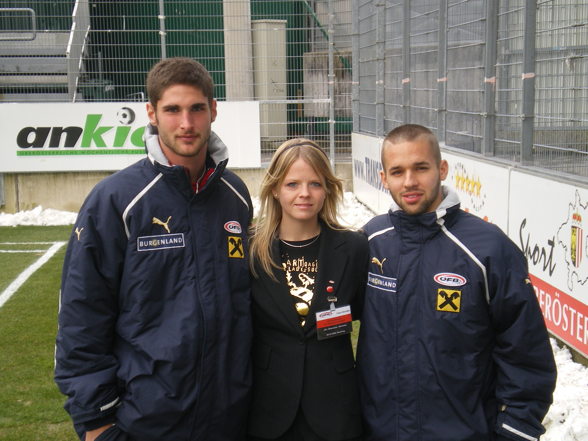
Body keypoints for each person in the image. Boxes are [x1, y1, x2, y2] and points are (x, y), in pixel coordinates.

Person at [54, 57, 253, 441]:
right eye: (172, 110)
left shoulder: (235, 196)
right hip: (144, 420)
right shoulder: (116, 200)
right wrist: (95, 420)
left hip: (229, 414)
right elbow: (81, 314)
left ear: (213, 110)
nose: (186, 123)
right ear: (151, 113)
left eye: (197, 108)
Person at [356, 124, 557, 441]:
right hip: (381, 431)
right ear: (383, 178)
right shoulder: (371, 241)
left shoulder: (489, 249)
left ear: (442, 168)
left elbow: (526, 354)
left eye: (420, 168)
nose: (409, 181)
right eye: (397, 171)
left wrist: (517, 429)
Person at [247, 138, 368, 441]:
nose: (304, 193)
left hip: (335, 407)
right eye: (292, 184)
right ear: (275, 189)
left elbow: (370, 323)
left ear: (328, 188)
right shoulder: (250, 250)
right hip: (268, 407)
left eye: (315, 183)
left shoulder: (353, 248)